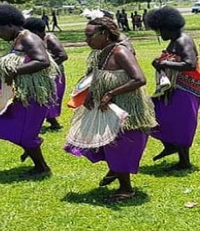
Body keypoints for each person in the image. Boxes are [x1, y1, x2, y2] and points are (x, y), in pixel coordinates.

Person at [65, 17, 157, 202]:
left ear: (104, 34)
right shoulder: (102, 53)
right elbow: (97, 76)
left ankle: (126, 188)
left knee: (120, 145)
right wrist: (91, 95)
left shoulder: (121, 52)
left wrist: (110, 94)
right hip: (106, 107)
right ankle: (115, 170)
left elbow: (139, 79)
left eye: (90, 36)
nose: (87, 40)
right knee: (105, 143)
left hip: (125, 108)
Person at [0, 5, 55, 176]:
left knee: (24, 132)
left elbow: (43, 61)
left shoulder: (28, 38)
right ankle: (34, 150)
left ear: (10, 24)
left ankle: (42, 167)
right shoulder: (18, 39)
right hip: (21, 94)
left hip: (33, 94)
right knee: (5, 122)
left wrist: (14, 72)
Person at [144, 6, 200, 170]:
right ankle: (170, 145)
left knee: (180, 123)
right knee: (155, 113)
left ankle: (184, 162)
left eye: (160, 30)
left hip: (185, 88)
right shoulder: (174, 40)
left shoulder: (182, 40)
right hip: (172, 88)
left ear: (169, 27)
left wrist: (163, 63)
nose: (160, 34)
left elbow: (190, 64)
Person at [24, 17, 68, 130]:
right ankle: (50, 122)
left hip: (53, 75)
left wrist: (48, 66)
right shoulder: (34, 40)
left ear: (36, 31)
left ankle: (53, 123)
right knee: (40, 98)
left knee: (49, 99)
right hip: (41, 75)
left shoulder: (50, 38)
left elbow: (63, 56)